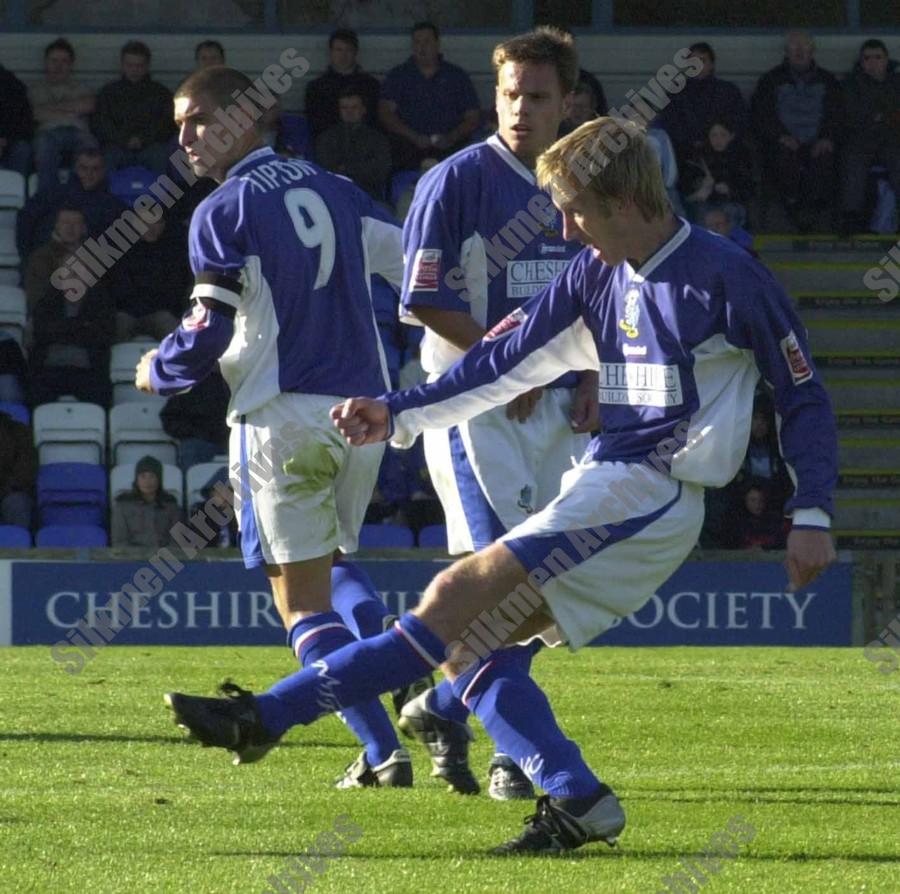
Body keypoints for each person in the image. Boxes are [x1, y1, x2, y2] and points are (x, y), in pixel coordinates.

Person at [164, 116, 838, 855]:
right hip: (613, 479)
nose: (567, 228)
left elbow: (802, 393)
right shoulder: (594, 272)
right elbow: (500, 357)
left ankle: (265, 717)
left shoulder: (726, 276)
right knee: (465, 642)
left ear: (622, 200)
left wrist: (811, 513)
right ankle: (579, 798)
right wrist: (396, 412)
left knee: (454, 601)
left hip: (653, 492)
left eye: (576, 209)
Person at [136, 65, 416, 789]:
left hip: (280, 418)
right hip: (361, 418)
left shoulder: (221, 210)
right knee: (337, 564)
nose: (186, 138)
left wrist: (153, 370)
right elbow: (415, 269)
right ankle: (389, 668)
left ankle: (387, 751)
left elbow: (203, 338)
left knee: (298, 602)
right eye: (178, 126)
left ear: (246, 118)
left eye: (198, 119)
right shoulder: (338, 189)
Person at [397, 27, 599, 801]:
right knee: (502, 586)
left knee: (546, 591)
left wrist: (590, 376)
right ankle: (517, 756)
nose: (520, 108)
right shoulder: (455, 180)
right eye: (510, 93)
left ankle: (443, 705)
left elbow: (601, 295)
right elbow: (422, 297)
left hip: (553, 410)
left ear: (568, 102)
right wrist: (503, 360)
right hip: (472, 408)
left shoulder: (579, 183)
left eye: (537, 96)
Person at [750, 31, 842, 232]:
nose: (799, 52)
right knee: (782, 160)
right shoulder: (770, 80)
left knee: (826, 158)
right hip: (783, 143)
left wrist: (827, 137)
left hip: (818, 141)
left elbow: (837, 114)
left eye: (804, 47)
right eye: (794, 47)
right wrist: (779, 136)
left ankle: (817, 213)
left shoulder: (828, 81)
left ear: (813, 51)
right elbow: (760, 115)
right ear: (786, 51)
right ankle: (792, 207)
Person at [379, 22, 481, 171]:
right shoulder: (399, 76)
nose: (422, 47)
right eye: (417, 42)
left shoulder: (456, 76)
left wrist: (450, 137)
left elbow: (473, 117)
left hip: (449, 149)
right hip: (408, 149)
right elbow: (385, 113)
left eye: (427, 41)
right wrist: (414, 137)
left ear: (437, 44)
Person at [16, 147, 125, 262]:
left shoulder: (113, 206)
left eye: (95, 169)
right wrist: (28, 258)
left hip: (92, 270)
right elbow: (25, 219)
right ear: (76, 169)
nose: (89, 174)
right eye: (84, 168)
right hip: (49, 265)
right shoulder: (53, 194)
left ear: (103, 171)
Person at [839, 39, 900, 235]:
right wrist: (882, 116)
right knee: (852, 162)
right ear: (861, 61)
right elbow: (850, 115)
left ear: (886, 59)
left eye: (878, 57)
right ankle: (851, 218)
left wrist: (881, 117)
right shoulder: (850, 83)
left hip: (893, 138)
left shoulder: (897, 81)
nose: (873, 62)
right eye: (867, 58)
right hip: (861, 138)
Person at [657, 41, 748, 166]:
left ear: (711, 64)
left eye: (702, 61)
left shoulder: (728, 91)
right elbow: (669, 122)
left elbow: (740, 121)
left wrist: (716, 140)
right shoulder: (676, 93)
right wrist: (690, 141)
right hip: (684, 154)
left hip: (723, 154)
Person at [92, 40, 176, 174]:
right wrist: (123, 140)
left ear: (147, 66)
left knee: (161, 158)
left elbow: (166, 123)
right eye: (129, 65)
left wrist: (143, 139)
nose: (134, 70)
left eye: (139, 65)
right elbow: (101, 123)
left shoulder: (161, 93)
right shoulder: (108, 92)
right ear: (122, 65)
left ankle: (162, 196)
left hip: (151, 147)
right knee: (106, 160)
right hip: (116, 147)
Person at [29, 38, 97, 193]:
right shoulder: (35, 89)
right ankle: (48, 200)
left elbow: (89, 105)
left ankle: (80, 197)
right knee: (44, 146)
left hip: (78, 133)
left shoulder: (83, 87)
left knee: (90, 145)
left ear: (71, 64)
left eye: (64, 61)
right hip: (48, 134)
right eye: (54, 60)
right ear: (46, 62)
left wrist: (51, 109)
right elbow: (35, 114)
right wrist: (72, 108)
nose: (59, 66)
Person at [107, 213, 190, 341]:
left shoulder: (173, 253)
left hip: (161, 312)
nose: (150, 227)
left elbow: (176, 289)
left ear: (163, 225)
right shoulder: (121, 252)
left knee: (168, 323)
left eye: (156, 222)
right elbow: (117, 288)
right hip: (127, 313)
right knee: (119, 322)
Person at [315, 89, 392, 201]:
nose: (349, 112)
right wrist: (360, 167)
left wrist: (345, 168)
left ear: (363, 110)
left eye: (354, 107)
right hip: (334, 195)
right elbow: (324, 168)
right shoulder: (326, 137)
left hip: (368, 196)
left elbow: (380, 171)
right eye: (344, 108)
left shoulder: (377, 138)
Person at [304, 29, 380, 140]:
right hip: (329, 146)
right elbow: (314, 125)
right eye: (338, 50)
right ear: (330, 52)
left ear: (356, 53)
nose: (343, 55)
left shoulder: (371, 86)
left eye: (348, 50)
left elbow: (375, 121)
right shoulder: (316, 88)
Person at [680, 120, 754, 226]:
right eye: (714, 135)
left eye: (723, 135)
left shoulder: (741, 158)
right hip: (704, 205)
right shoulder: (698, 158)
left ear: (731, 136)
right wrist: (700, 188)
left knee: (730, 212)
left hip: (732, 204)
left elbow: (749, 189)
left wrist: (730, 190)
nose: (718, 140)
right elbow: (685, 189)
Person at [111, 455, 183, 548]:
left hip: (165, 559)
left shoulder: (171, 505)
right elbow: (120, 542)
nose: (147, 482)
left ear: (159, 479)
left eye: (152, 476)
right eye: (143, 476)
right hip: (132, 559)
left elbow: (176, 541)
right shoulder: (122, 506)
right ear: (137, 479)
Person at [0, 409, 37, 530]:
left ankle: (17, 548)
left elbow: (25, 470)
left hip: (8, 492)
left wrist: (4, 490)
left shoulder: (17, 431)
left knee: (17, 503)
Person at [0, 58, 33, 177]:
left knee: (22, 150)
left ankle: (17, 192)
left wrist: (6, 140)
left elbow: (24, 122)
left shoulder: (13, 86)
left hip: (10, 142)